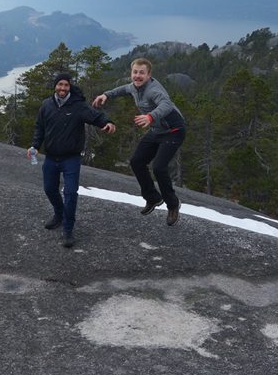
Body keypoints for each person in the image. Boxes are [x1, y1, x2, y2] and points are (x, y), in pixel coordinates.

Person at [92, 57, 185, 226]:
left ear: (149, 75)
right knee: (136, 162)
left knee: (159, 167)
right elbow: (123, 89)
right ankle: (153, 198)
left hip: (173, 131)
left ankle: (173, 204)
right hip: (156, 130)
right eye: (135, 72)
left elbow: (166, 104)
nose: (137, 76)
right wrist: (106, 94)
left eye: (142, 73)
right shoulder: (134, 87)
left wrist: (150, 116)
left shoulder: (153, 90)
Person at [28, 72, 116, 248]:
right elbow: (40, 127)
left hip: (71, 159)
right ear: (55, 86)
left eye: (66, 85)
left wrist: (107, 122)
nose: (62, 88)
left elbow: (96, 116)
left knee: (70, 193)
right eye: (60, 84)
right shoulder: (46, 105)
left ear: (70, 87)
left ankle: (68, 229)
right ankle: (59, 214)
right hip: (51, 157)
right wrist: (35, 145)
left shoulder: (78, 105)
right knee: (49, 189)